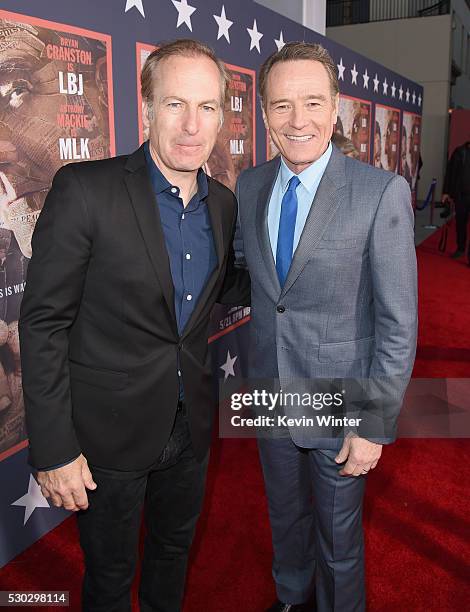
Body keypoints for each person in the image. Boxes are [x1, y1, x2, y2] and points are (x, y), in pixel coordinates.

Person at [19, 38, 249, 612]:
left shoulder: (223, 204)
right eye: (176, 104)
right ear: (147, 106)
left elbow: (220, 293)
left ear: (222, 115)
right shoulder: (85, 190)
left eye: (207, 107)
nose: (192, 125)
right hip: (107, 440)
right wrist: (52, 449)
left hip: (191, 428)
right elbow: (43, 323)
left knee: (173, 555)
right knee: (109, 577)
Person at [235, 42, 417, 612]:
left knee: (339, 546)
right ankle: (292, 600)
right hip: (270, 397)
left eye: (313, 102)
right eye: (282, 105)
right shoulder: (249, 186)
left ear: (335, 107)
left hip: (342, 406)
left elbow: (397, 324)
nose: (298, 120)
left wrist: (373, 426)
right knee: (286, 526)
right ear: (264, 113)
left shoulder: (380, 192)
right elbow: (252, 281)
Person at [442, 140, 470, 260]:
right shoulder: (460, 152)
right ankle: (460, 248)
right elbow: (450, 172)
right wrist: (446, 192)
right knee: (460, 223)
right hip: (462, 195)